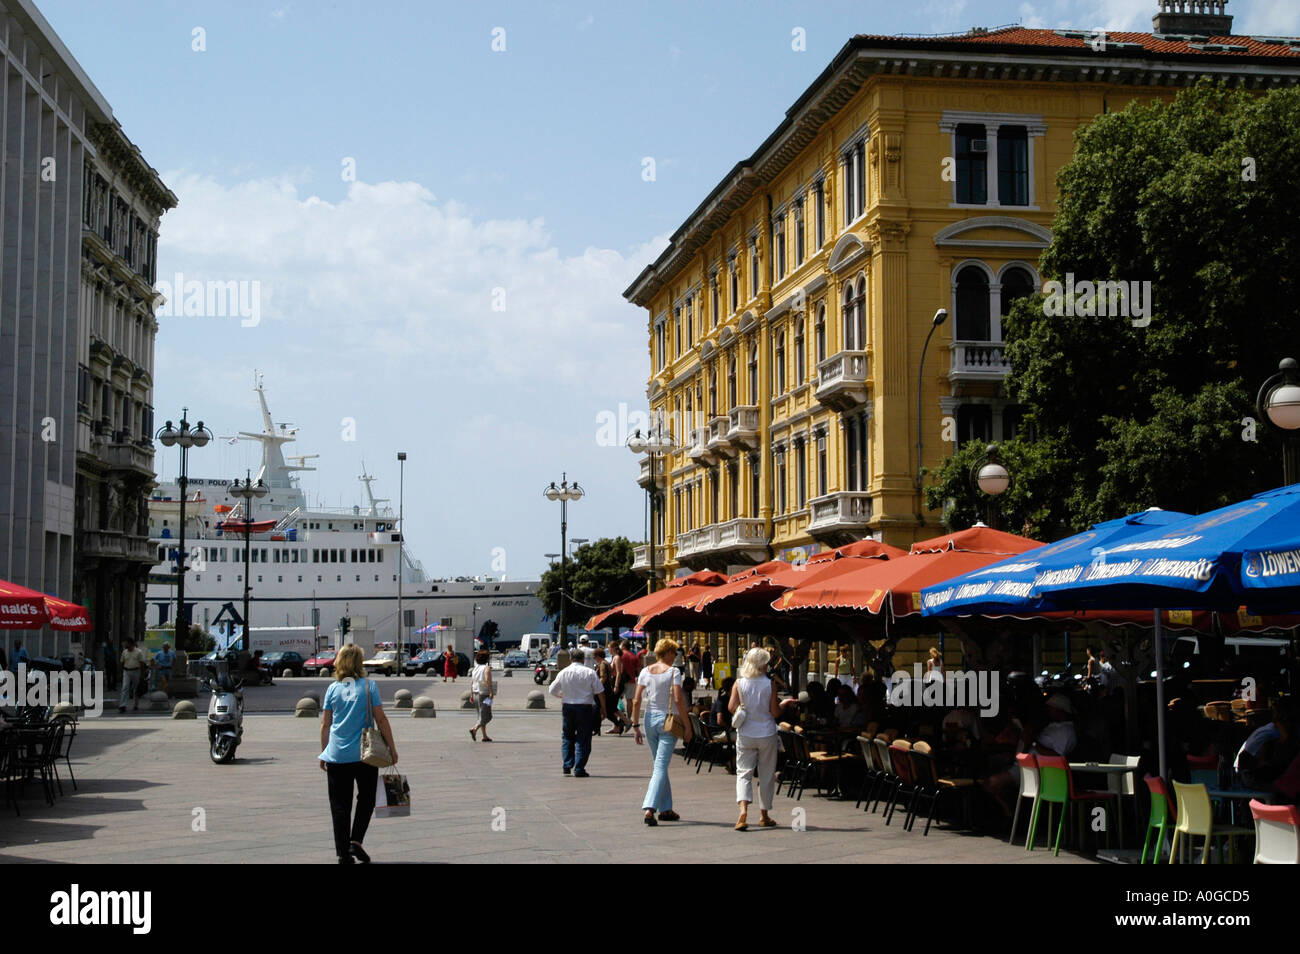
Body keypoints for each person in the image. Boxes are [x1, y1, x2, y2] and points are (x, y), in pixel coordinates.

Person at [319, 644, 397, 864]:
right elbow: (381, 719)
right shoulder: (369, 687)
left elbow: (326, 724)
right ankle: (356, 841)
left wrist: (324, 751)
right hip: (365, 755)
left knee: (339, 805)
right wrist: (392, 747)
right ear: (359, 662)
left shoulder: (333, 689)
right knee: (367, 798)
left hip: (337, 756)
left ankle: (343, 854)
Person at [632, 637, 693, 825]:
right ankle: (650, 808)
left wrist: (635, 726)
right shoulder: (674, 672)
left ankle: (666, 809)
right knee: (660, 766)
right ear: (666, 652)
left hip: (649, 720)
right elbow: (678, 699)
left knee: (660, 765)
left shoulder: (644, 671)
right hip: (668, 721)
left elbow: (636, 700)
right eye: (673, 652)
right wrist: (688, 726)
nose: (675, 656)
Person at [729, 648, 782, 830]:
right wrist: (782, 706)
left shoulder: (739, 683)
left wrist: (743, 709)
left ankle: (743, 811)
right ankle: (764, 814)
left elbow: (731, 707)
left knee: (743, 773)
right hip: (767, 732)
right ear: (763, 664)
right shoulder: (770, 684)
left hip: (745, 733)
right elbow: (774, 712)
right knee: (767, 774)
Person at [548, 647, 606, 777]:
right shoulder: (590, 672)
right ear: (583, 659)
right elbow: (600, 691)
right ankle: (579, 768)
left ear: (570, 659)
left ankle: (567, 765)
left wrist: (561, 695)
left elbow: (552, 689)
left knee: (567, 736)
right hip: (585, 708)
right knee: (583, 738)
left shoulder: (563, 672)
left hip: (568, 707)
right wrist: (603, 708)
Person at [594, 647, 623, 734]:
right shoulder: (606, 663)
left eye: (594, 657)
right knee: (603, 709)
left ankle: (598, 728)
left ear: (598, 656)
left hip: (603, 690)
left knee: (601, 709)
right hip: (606, 689)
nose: (594, 659)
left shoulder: (603, 664)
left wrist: (596, 687)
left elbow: (603, 677)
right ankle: (597, 728)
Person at [469, 650, 495, 742]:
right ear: (487, 659)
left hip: (476, 693)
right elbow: (488, 679)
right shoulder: (486, 668)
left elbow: (472, 682)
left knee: (481, 715)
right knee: (487, 716)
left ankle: (484, 736)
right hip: (484, 694)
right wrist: (491, 692)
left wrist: (471, 694)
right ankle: (474, 729)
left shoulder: (475, 668)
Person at [118, 638, 147, 712]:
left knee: (136, 688)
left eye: (125, 643)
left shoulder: (138, 652)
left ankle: (136, 704)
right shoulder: (124, 652)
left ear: (130, 644)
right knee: (125, 687)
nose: (124, 645)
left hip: (136, 671)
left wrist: (142, 675)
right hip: (126, 671)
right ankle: (122, 705)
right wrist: (121, 673)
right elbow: (122, 662)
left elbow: (142, 663)